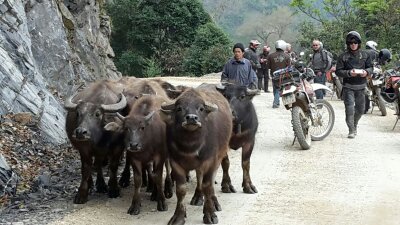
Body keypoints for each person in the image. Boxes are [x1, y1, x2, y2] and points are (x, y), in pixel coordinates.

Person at [336, 31, 373, 139]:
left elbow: (370, 67)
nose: (353, 44)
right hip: (348, 87)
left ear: (359, 43)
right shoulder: (343, 56)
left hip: (361, 87)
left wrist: (367, 72)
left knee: (361, 110)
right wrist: (348, 73)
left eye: (355, 42)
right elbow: (338, 71)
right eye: (351, 42)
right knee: (349, 109)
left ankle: (355, 124)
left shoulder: (366, 55)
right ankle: (351, 130)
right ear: (348, 43)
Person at [266, 40, 291, 108]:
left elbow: (268, 67)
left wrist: (269, 75)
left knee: (276, 89)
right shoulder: (287, 56)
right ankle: (286, 103)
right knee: (285, 89)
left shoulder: (270, 56)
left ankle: (276, 102)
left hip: (274, 75)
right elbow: (289, 67)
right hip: (284, 76)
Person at [364, 40, 379, 113]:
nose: (375, 48)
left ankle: (366, 107)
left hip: (366, 73)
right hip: (374, 72)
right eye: (375, 46)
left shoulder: (362, 52)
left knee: (364, 89)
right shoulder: (376, 53)